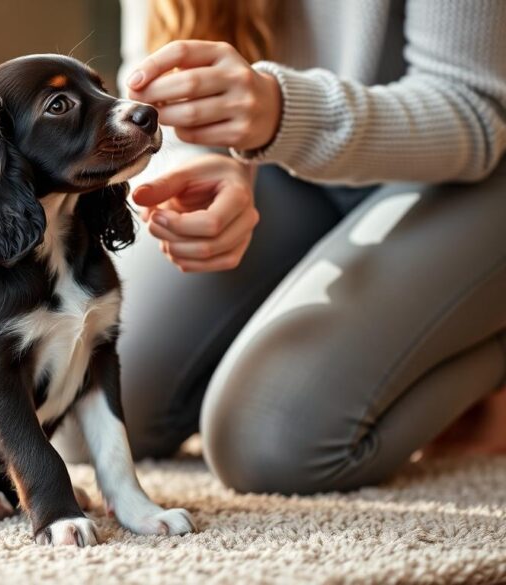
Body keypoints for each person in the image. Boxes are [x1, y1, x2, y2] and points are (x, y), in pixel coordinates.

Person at [112, 0, 506, 494]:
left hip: (480, 173)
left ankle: (488, 340)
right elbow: (149, 91)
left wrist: (280, 113)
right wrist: (202, 168)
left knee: (269, 443)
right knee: (96, 403)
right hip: (294, 168)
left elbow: (474, 111)